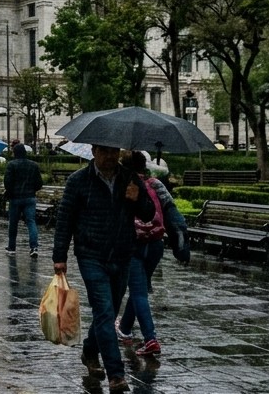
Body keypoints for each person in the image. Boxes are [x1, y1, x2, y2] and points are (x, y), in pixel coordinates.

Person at [53, 144, 156, 393]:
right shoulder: (79, 180)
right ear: (94, 151)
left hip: (122, 254)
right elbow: (65, 218)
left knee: (107, 314)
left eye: (114, 151)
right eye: (104, 151)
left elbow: (149, 214)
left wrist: (139, 198)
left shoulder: (129, 178)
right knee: (103, 310)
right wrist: (59, 256)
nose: (110, 156)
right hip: (91, 254)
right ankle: (116, 374)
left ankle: (90, 351)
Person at [116, 151, 191, 357]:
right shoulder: (156, 184)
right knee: (139, 288)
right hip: (156, 244)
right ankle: (124, 329)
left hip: (133, 244)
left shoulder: (123, 185)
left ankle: (150, 339)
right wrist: (181, 244)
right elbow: (172, 213)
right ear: (144, 166)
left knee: (139, 291)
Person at [4, 143, 44, 257]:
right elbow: (39, 183)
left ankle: (12, 247)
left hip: (15, 198)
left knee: (13, 223)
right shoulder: (33, 165)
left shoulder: (11, 165)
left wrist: (10, 192)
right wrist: (32, 190)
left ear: (15, 153)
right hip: (30, 198)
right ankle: (34, 247)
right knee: (31, 222)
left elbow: (7, 182)